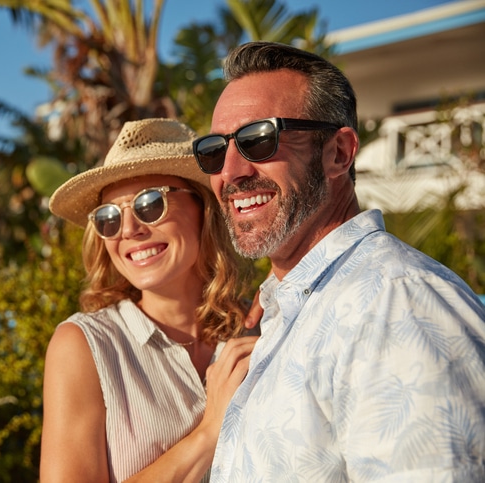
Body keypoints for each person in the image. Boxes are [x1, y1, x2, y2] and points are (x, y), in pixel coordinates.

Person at [191, 41, 485, 481]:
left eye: (258, 139)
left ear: (339, 153)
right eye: (214, 150)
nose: (230, 172)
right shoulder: (293, 308)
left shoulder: (396, 304)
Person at [39, 118, 261, 482]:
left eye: (150, 202)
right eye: (109, 217)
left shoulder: (260, 327)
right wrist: (209, 432)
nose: (128, 230)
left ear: (203, 207)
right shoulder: (86, 346)